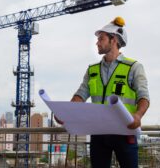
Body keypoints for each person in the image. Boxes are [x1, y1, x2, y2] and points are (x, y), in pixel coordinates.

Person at [56, 17, 150, 168]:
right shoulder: (92, 70)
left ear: (113, 40)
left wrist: (138, 116)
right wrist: (67, 112)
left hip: (124, 132)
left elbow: (143, 96)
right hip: (98, 133)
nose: (97, 42)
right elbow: (81, 94)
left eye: (101, 38)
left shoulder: (134, 67)